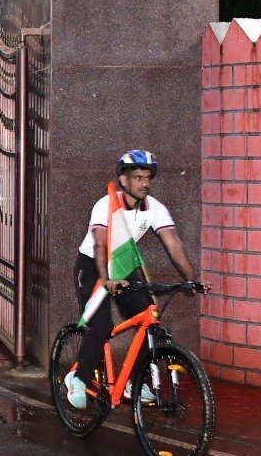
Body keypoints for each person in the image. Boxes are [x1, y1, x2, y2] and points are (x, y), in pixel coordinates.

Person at [64, 150, 205, 410]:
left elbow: (174, 244)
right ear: (124, 180)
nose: (145, 184)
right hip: (93, 267)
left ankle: (131, 381)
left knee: (149, 322)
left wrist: (191, 279)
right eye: (138, 178)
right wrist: (105, 280)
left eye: (148, 178)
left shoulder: (155, 208)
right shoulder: (106, 204)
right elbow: (99, 243)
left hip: (123, 267)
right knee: (101, 326)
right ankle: (78, 379)